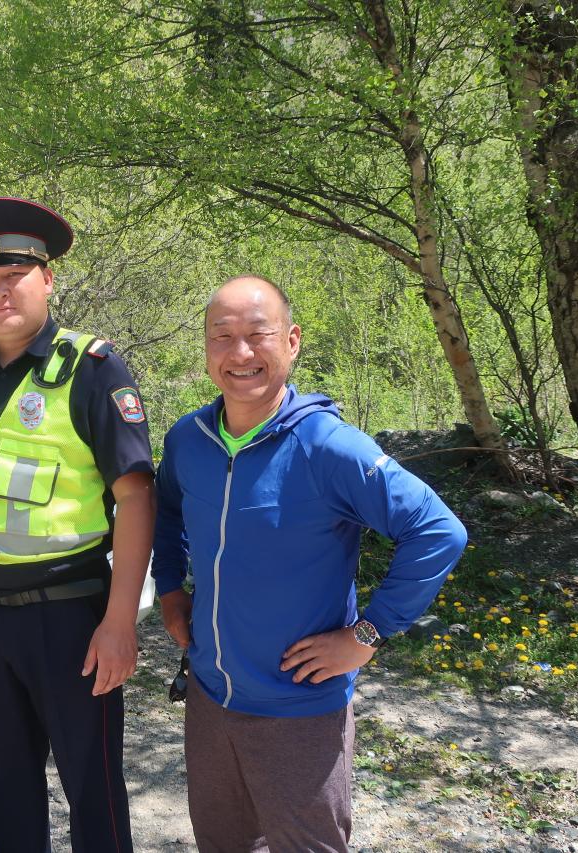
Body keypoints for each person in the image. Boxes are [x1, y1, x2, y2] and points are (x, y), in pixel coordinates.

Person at [152, 275, 467, 853]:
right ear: (206, 346)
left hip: (300, 708)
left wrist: (368, 634)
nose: (240, 352)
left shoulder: (329, 446)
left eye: (258, 334)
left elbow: (438, 531)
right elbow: (165, 512)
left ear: (292, 341)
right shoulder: (187, 440)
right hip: (210, 698)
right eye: (222, 335)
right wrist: (170, 587)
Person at [0, 196, 155, 852]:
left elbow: (136, 498)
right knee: (5, 784)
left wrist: (120, 622)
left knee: (93, 789)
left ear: (47, 279)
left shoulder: (92, 369)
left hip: (69, 618)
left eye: (14, 275)